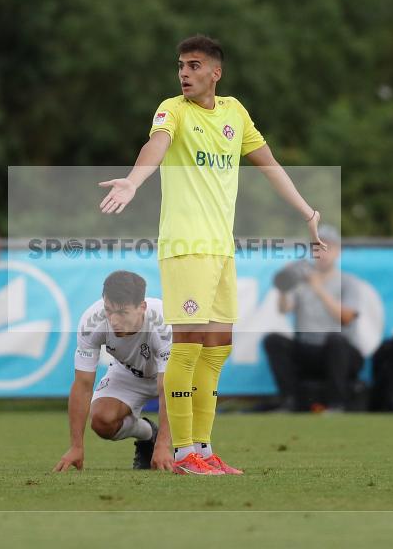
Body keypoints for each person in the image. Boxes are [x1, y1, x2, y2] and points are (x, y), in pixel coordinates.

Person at [99, 34, 323, 475]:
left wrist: (308, 212)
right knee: (187, 348)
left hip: (223, 248)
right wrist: (133, 180)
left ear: (215, 73)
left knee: (217, 349)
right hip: (186, 247)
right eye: (182, 65)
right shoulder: (172, 110)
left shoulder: (234, 112)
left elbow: (270, 164)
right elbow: (156, 147)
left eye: (195, 65)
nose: (185, 72)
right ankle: (182, 452)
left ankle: (202, 448)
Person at [54, 271, 174, 472]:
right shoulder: (91, 322)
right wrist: (76, 446)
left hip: (173, 377)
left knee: (185, 430)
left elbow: (168, 387)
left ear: (141, 307)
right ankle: (147, 434)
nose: (114, 320)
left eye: (123, 312)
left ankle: (186, 447)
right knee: (102, 421)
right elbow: (83, 384)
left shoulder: (163, 322)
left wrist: (163, 446)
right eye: (109, 310)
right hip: (129, 374)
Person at [263, 225, 364, 412]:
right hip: (309, 350)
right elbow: (284, 309)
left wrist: (319, 288)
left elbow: (347, 317)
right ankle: (289, 400)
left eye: (328, 248)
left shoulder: (348, 281)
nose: (322, 253)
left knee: (336, 341)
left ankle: (337, 404)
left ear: (338, 251)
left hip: (339, 354)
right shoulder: (302, 280)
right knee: (273, 341)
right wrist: (284, 287)